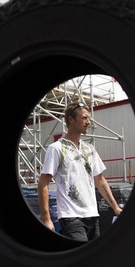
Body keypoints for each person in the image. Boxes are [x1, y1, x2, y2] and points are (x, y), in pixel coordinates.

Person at [38, 101, 123, 241]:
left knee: (94, 258)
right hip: (71, 217)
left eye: (88, 118)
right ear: (71, 119)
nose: (88, 122)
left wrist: (115, 207)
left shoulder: (89, 149)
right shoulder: (56, 148)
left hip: (93, 215)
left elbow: (100, 179)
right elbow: (43, 183)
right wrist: (46, 219)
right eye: (84, 118)